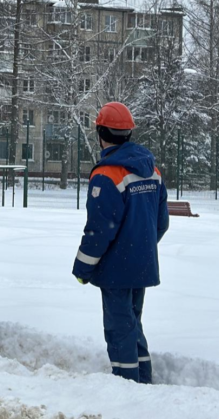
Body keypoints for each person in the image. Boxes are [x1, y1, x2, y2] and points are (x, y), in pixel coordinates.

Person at [72, 101, 169, 384]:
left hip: (116, 270)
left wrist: (82, 268)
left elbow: (99, 231)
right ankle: (143, 380)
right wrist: (140, 248)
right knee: (133, 324)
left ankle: (127, 389)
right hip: (142, 265)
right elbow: (160, 223)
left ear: (101, 132)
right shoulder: (153, 171)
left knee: (119, 328)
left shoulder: (106, 174)